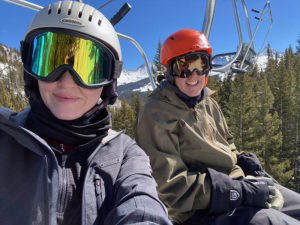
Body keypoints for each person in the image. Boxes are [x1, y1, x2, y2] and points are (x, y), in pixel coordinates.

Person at [0, 1, 172, 225]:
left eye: (88, 69)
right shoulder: (5, 136)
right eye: (51, 61)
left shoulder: (125, 156)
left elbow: (142, 206)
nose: (67, 81)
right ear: (31, 73)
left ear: (108, 82)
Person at [135, 29, 300, 225]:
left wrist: (242, 161)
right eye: (184, 67)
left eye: (200, 64)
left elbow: (227, 143)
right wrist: (240, 193)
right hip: (199, 211)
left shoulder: (207, 103)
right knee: (273, 221)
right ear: (170, 70)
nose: (193, 75)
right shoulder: (156, 114)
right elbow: (170, 188)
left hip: (237, 186)